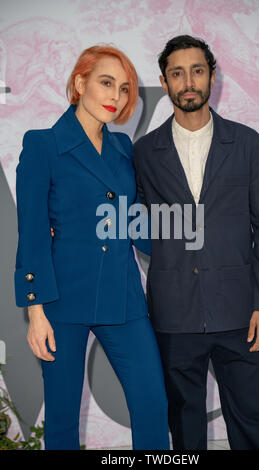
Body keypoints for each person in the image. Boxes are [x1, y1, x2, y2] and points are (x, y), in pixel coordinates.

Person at [14, 45, 170, 451]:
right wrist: (36, 309)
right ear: (80, 82)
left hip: (123, 296)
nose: (115, 97)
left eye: (123, 88)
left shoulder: (122, 149)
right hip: (62, 300)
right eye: (106, 82)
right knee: (62, 418)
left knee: (152, 404)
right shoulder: (42, 145)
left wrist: (192, 243)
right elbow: (32, 232)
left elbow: (133, 223)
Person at [133, 35, 259, 450]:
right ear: (164, 83)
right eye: (177, 73)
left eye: (197, 71)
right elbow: (135, 220)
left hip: (240, 311)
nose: (188, 82)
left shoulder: (248, 142)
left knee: (251, 414)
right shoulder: (144, 152)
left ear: (212, 77)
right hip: (173, 312)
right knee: (184, 421)